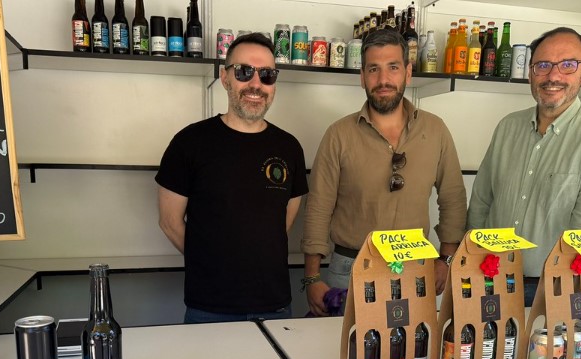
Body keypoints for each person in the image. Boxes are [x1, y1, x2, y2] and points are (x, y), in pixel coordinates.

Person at [301, 28, 467, 316]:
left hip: (416, 269)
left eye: (393, 67)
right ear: (362, 76)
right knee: (347, 344)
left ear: (408, 73)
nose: (383, 80)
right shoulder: (339, 134)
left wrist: (447, 260)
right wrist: (312, 278)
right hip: (350, 268)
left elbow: (452, 197)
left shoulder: (435, 130)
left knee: (413, 345)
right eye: (373, 69)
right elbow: (318, 206)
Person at [467, 27, 581, 306]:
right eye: (542, 65)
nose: (553, 76)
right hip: (490, 279)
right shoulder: (508, 126)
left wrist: (571, 300)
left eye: (567, 65)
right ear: (530, 72)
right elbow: (481, 203)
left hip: (555, 290)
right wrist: (471, 262)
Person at [156, 33, 308, 323]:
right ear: (225, 78)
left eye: (267, 75)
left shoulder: (289, 147)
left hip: (274, 305)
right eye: (243, 72)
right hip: (209, 308)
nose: (256, 84)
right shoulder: (189, 143)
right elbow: (169, 221)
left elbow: (282, 223)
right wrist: (211, 264)